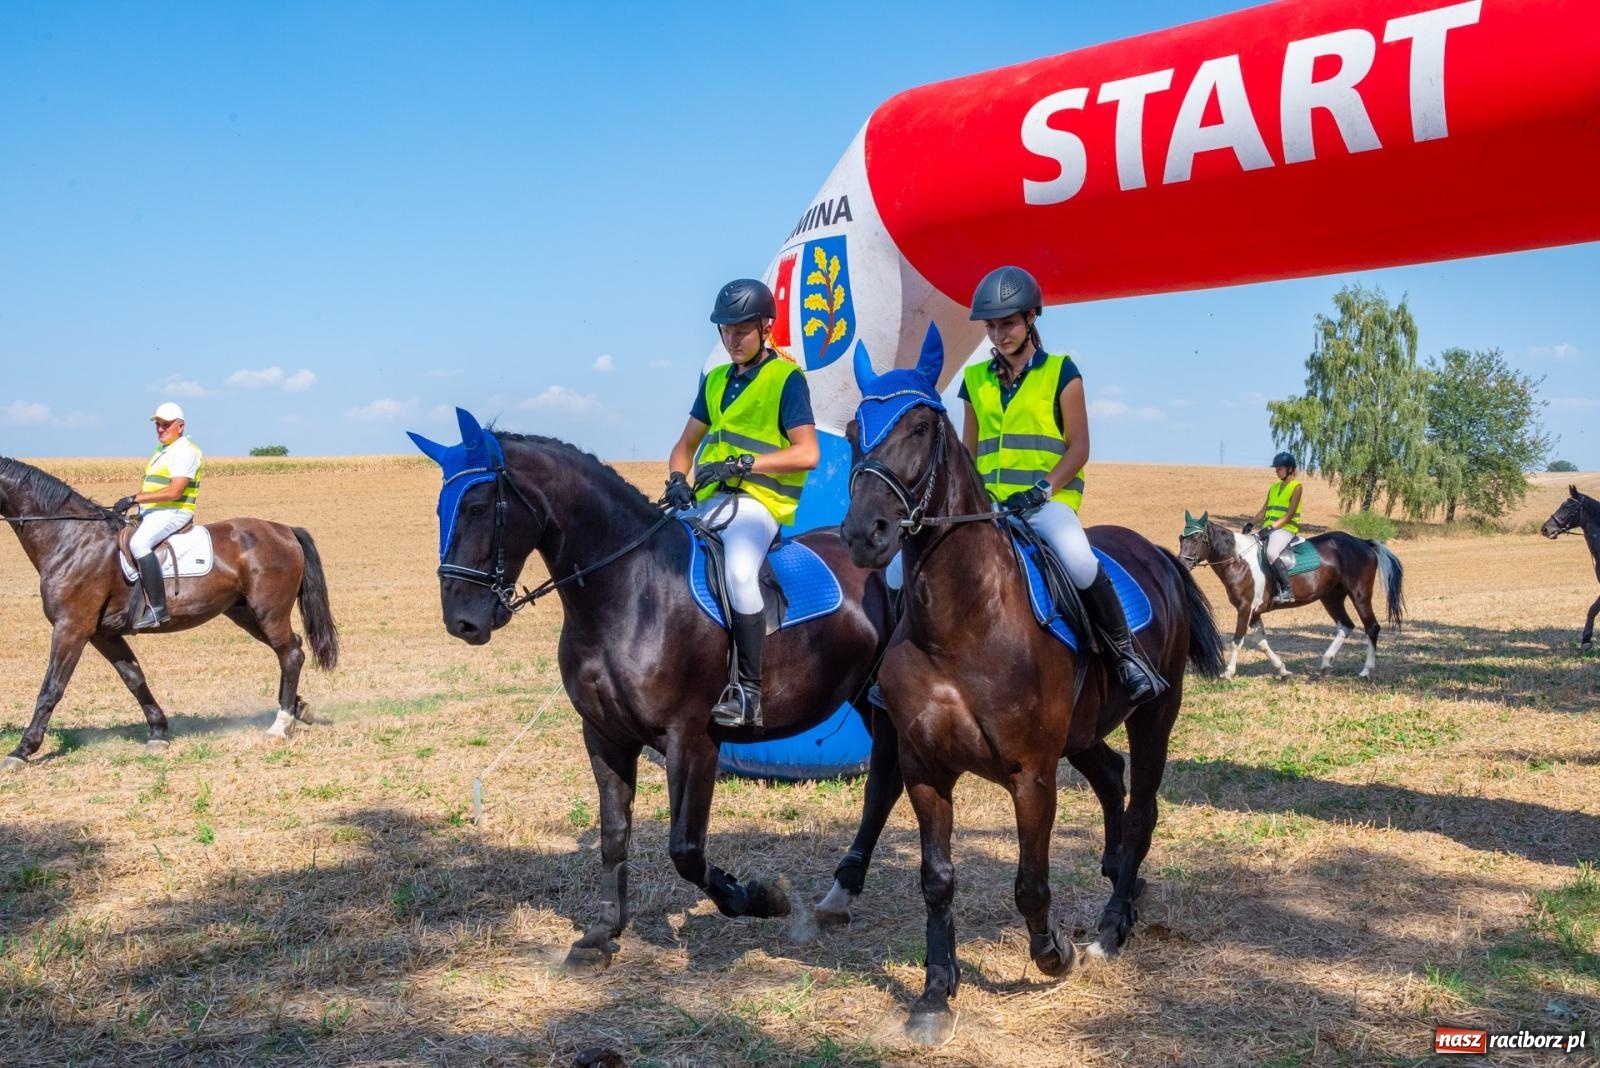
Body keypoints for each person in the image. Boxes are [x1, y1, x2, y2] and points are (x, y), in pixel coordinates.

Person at [960, 265, 1164, 704]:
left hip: (1043, 505)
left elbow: (1080, 447)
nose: (999, 334)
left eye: (1008, 323)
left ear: (1032, 317)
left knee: (1078, 560)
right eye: (992, 326)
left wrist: (1044, 489)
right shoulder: (973, 380)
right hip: (990, 507)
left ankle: (1126, 657)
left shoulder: (1061, 372)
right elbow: (968, 453)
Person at [665, 279, 819, 727]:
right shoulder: (713, 381)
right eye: (726, 330)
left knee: (737, 572)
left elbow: (807, 453)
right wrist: (677, 478)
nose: (733, 339)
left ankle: (748, 692)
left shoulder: (786, 379)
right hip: (707, 503)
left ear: (765, 327)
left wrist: (746, 464)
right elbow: (684, 445)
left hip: (757, 505)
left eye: (742, 330)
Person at [111, 402, 202, 629]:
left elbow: (175, 491)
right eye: (158, 425)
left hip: (175, 510)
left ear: (180, 426)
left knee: (140, 544)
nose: (161, 429)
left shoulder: (185, 451)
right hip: (154, 510)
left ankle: (158, 609)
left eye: (166, 425)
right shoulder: (163, 451)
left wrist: (134, 499)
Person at [1251, 451, 1303, 604]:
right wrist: (1251, 522)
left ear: (1290, 469)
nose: (1276, 471)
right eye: (1276, 468)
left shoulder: (1296, 487)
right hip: (1271, 528)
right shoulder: (1273, 488)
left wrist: (1271, 528)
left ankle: (1287, 590)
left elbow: (1290, 514)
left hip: (1286, 529)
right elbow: (1263, 511)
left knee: (1272, 553)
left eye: (1279, 468)